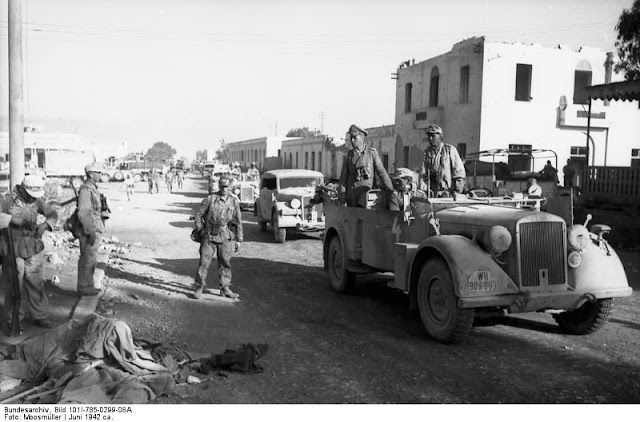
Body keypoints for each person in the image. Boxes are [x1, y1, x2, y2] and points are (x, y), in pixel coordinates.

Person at [0, 175, 58, 328]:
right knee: (13, 285)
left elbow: (52, 214)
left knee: (36, 283)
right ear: (23, 190)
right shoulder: (6, 199)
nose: (33, 199)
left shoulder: (37, 200)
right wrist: (11, 219)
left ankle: (40, 315)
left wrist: (46, 225)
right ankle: (13, 319)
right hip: (12, 247)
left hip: (32, 246)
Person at [193, 175, 243, 299]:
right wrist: (200, 229)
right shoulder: (210, 199)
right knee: (204, 263)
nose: (224, 189)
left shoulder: (234, 201)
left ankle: (225, 288)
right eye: (222, 186)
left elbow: (238, 221)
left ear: (230, 187)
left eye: (226, 186)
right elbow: (198, 215)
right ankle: (199, 288)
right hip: (209, 236)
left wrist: (239, 240)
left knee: (225, 263)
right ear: (219, 186)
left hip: (225, 236)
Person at [339, 124, 393, 207]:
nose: (352, 140)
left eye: (355, 138)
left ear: (362, 138)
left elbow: (382, 173)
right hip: (352, 197)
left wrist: (390, 190)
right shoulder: (348, 156)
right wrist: (342, 196)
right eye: (351, 138)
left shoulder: (372, 154)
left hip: (367, 196)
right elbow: (343, 178)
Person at [76, 163, 108, 296]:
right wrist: (90, 231)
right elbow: (83, 212)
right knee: (88, 257)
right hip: (90, 228)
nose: (100, 175)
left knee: (91, 257)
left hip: (95, 225)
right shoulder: (86, 190)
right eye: (98, 172)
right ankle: (84, 287)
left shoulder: (92, 188)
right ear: (91, 174)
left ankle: (87, 285)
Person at [418, 124, 466, 196]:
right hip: (433, 193)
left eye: (433, 136)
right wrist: (423, 191)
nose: (430, 138)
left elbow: (458, 171)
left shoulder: (449, 150)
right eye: (429, 136)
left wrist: (457, 191)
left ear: (440, 136)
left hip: (448, 192)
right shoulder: (427, 153)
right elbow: (422, 174)